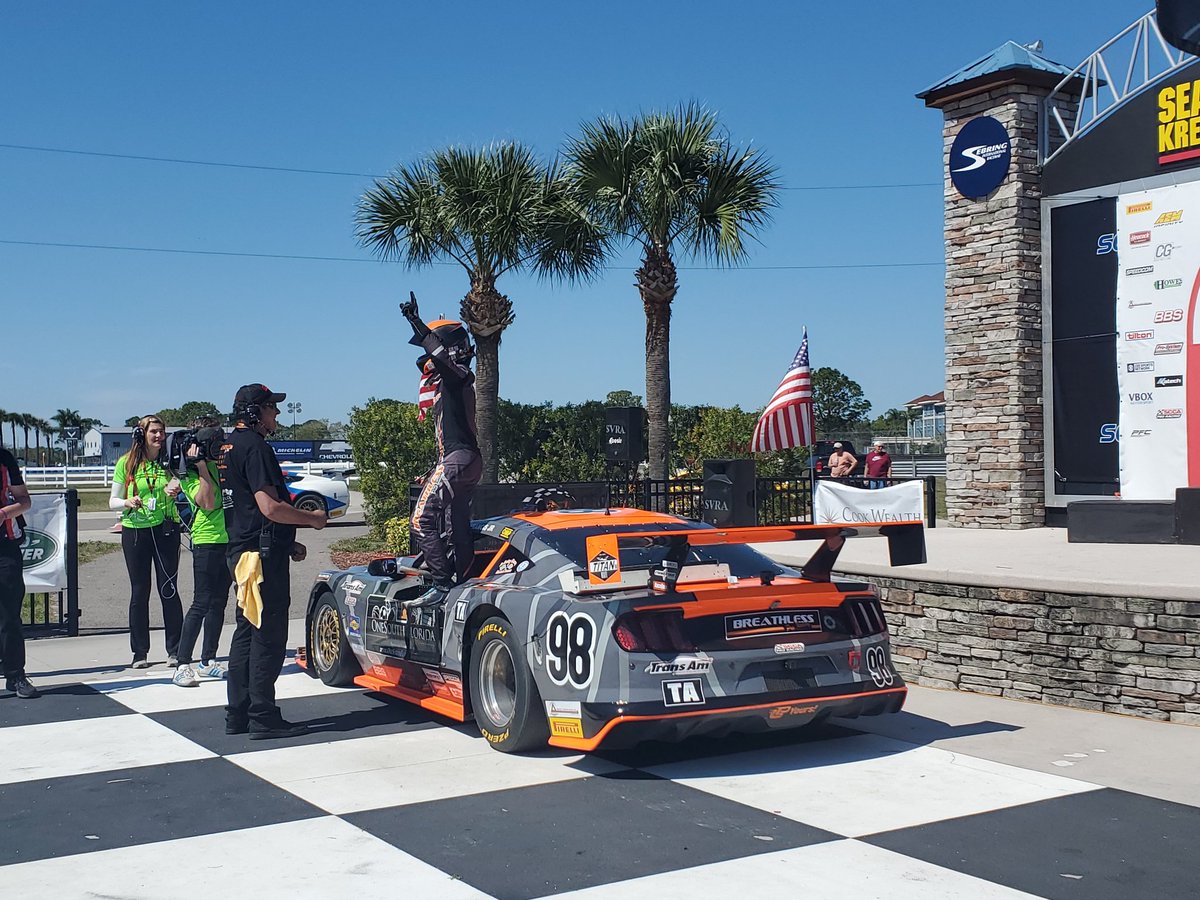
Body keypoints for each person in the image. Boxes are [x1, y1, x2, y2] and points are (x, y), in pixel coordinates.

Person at [220, 384, 326, 739]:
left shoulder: (227, 446)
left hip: (244, 550)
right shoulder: (257, 447)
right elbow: (268, 507)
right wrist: (310, 519)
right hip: (260, 558)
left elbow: (249, 509)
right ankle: (263, 715)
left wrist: (287, 544)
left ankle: (238, 714)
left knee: (247, 632)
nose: (276, 414)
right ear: (254, 412)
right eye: (271, 408)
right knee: (268, 634)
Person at [399, 292, 482, 609]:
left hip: (459, 460)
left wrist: (416, 322)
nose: (425, 366)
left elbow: (438, 354)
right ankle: (464, 581)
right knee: (455, 523)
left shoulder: (457, 376)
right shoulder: (456, 381)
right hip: (465, 461)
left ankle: (442, 584)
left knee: (421, 521)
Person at [109, 415, 183, 669]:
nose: (159, 437)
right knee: (140, 592)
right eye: (153, 432)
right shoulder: (126, 463)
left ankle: (175, 650)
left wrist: (178, 486)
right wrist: (127, 502)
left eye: (162, 432)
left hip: (166, 529)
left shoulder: (170, 462)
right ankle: (139, 652)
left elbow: (187, 486)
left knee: (169, 589)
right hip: (136, 532)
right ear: (141, 435)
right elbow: (112, 501)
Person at [172, 418, 232, 688]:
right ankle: (182, 662)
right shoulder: (189, 474)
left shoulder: (221, 466)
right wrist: (200, 466)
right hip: (207, 540)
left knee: (219, 602)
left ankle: (208, 659)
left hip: (228, 540)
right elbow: (208, 502)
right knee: (202, 602)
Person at [1, 446, 39, 699]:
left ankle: (15, 675)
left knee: (9, 615)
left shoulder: (4, 459)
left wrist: (4, 513)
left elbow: (25, 501)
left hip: (5, 545)